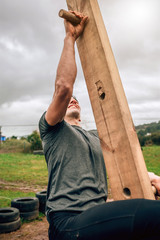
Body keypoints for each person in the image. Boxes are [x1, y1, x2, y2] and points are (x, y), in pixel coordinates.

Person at [39, 11, 160, 240]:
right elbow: (64, 88)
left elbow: (122, 162)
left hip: (97, 215)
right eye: (66, 101)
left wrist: (150, 177)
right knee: (151, 218)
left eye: (77, 99)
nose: (72, 98)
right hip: (68, 221)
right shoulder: (52, 130)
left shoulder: (97, 137)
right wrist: (70, 37)